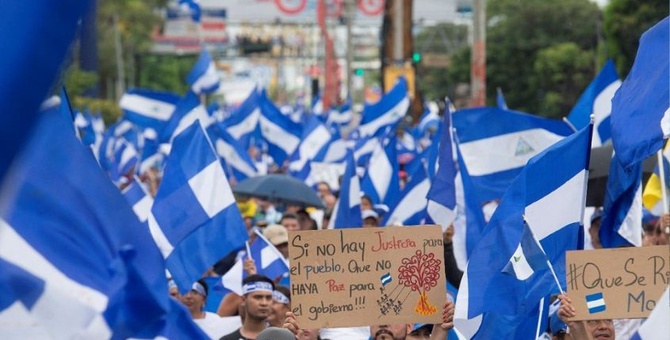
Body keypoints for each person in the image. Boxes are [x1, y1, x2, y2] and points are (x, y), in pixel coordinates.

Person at [220, 274, 276, 340]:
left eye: (268, 298)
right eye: (258, 297)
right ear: (243, 300)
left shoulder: (281, 338)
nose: (264, 303)